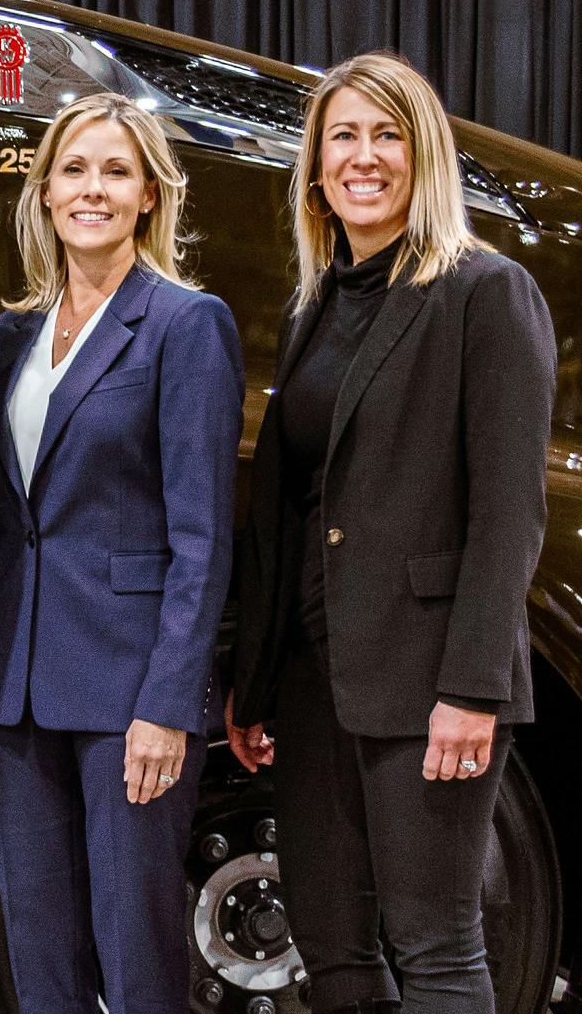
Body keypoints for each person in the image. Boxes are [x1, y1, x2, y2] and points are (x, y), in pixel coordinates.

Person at [227, 52, 556, 1014]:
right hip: (315, 682)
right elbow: (295, 511)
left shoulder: (486, 292)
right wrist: (257, 681)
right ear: (317, 168)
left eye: (387, 134)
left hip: (429, 681)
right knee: (332, 948)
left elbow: (508, 515)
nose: (364, 156)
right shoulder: (314, 307)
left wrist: (472, 689)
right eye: (343, 136)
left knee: (438, 948)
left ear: (425, 157)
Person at [0, 92, 243, 1013]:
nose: (93, 189)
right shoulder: (12, 334)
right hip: (16, 688)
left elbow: (203, 535)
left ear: (150, 193)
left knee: (136, 954)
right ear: (44, 190)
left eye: (116, 171)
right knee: (38, 953)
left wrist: (169, 703)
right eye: (73, 169)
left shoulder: (189, 325)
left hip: (129, 696)